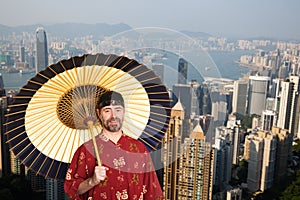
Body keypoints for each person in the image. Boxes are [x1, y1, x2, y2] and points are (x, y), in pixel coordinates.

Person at [64, 90, 164, 200]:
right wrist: (92, 181)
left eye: (118, 110)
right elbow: (71, 190)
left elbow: (153, 192)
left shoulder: (139, 149)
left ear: (124, 112)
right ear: (99, 113)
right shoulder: (86, 150)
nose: (113, 116)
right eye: (107, 111)